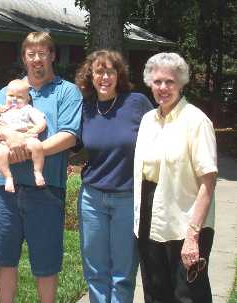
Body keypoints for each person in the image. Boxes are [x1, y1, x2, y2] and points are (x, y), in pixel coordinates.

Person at [0, 31, 83, 303]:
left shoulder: (67, 92)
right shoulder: (7, 91)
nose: (37, 59)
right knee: (4, 260)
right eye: (31, 54)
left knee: (46, 263)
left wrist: (28, 149)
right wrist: (9, 138)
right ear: (24, 57)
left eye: (42, 53)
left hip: (46, 188)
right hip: (5, 190)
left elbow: (70, 135)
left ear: (52, 55)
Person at [134, 52, 218, 302]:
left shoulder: (196, 121)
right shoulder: (148, 120)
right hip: (150, 215)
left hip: (186, 218)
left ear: (181, 84)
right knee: (155, 290)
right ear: (150, 83)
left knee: (188, 293)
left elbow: (208, 181)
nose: (163, 88)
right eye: (157, 81)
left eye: (169, 82)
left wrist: (193, 235)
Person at [74, 49, 153, 302]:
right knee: (95, 271)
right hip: (91, 199)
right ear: (91, 75)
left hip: (127, 199)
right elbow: (69, 141)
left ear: (119, 75)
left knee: (123, 273)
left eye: (110, 71)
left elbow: (161, 134)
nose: (105, 77)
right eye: (99, 71)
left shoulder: (136, 103)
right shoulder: (85, 107)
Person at [0, 79, 47, 192]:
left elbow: (42, 122)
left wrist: (35, 130)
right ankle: (8, 177)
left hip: (26, 137)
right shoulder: (0, 108)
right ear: (6, 95)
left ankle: (38, 172)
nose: (14, 99)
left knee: (37, 146)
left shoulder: (28, 109)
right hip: (4, 141)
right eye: (11, 95)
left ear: (27, 99)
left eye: (20, 97)